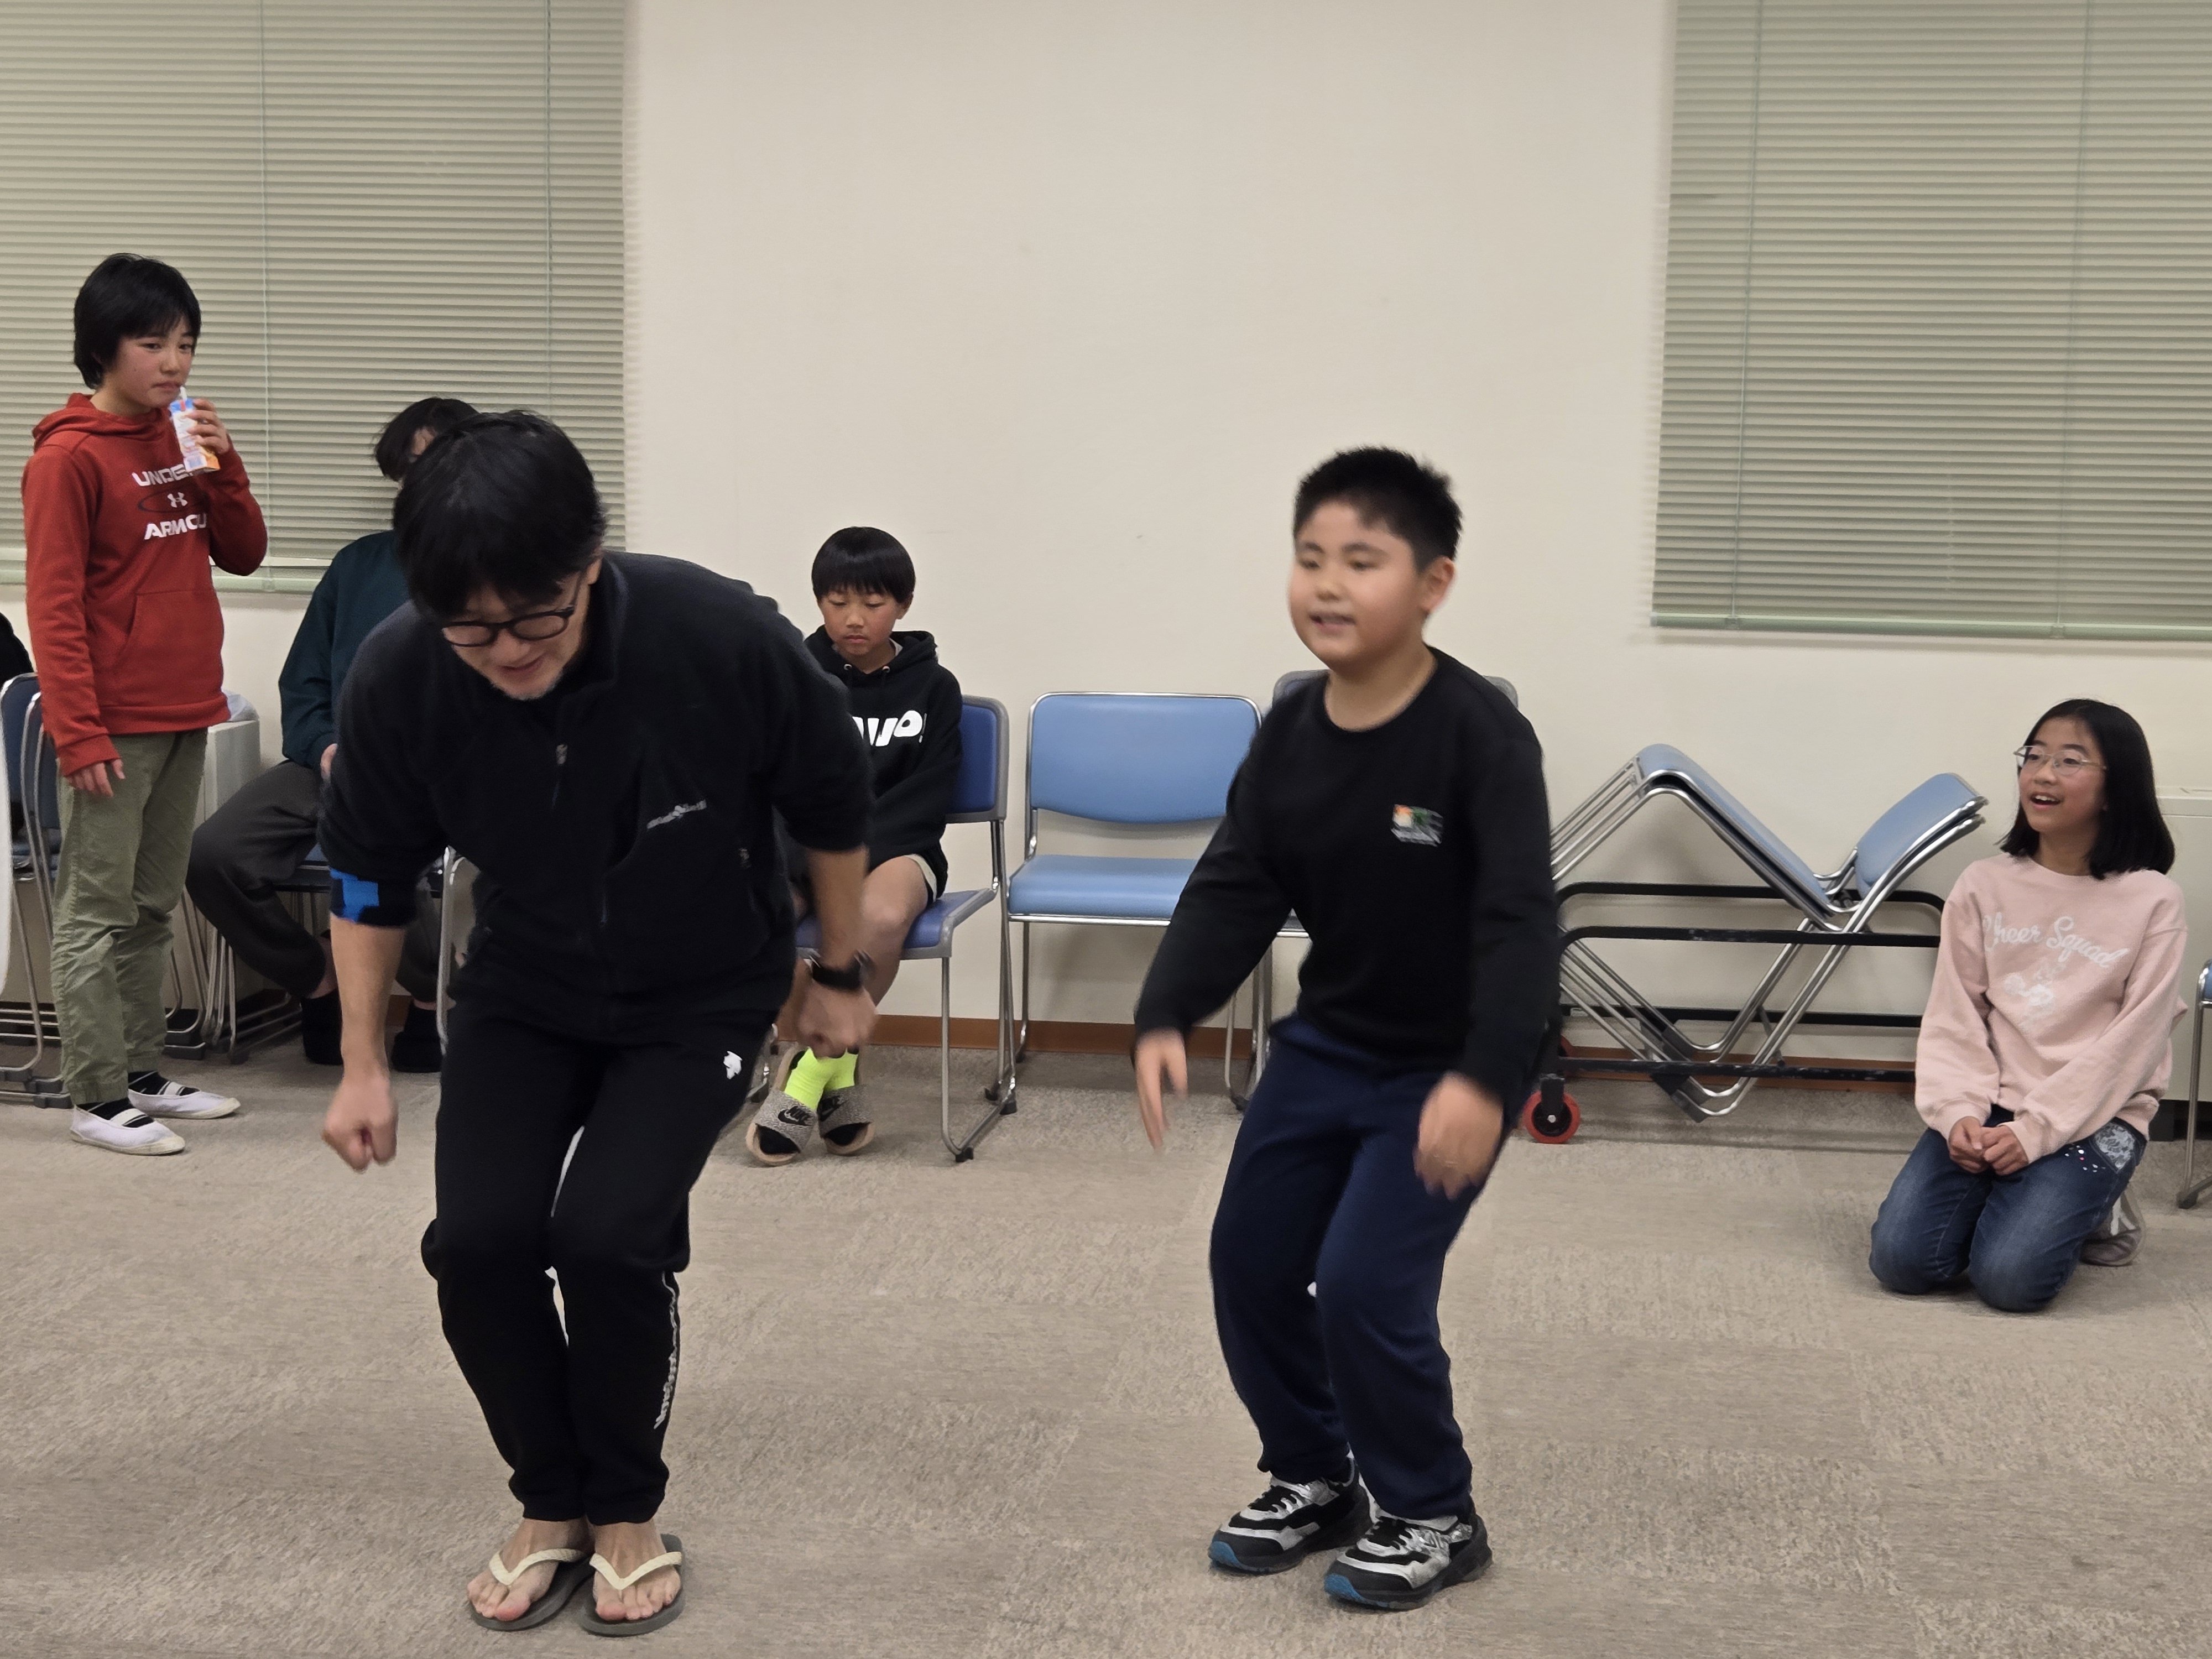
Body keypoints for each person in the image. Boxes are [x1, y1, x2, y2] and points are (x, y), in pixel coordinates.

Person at [315, 412, 875, 1634]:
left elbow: (833, 803)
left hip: (704, 983)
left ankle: (624, 1508)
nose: (507, 651)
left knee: (611, 1237)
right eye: (471, 629)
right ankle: (550, 1501)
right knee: (478, 1245)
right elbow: (365, 877)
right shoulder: (404, 673)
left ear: (590, 565)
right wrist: (362, 1061)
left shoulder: (715, 635)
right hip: (527, 984)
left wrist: (837, 970)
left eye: (535, 619)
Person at [1130, 448, 1556, 1612]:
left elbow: (1522, 924)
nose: (1327, 582)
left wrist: (1485, 1081)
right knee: (1250, 1261)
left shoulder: (1478, 735)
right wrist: (1167, 1008)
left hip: (1447, 1067)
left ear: (1432, 583)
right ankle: (1316, 1472)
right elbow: (1238, 880)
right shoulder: (1290, 730)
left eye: (1361, 560)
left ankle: (1434, 1510)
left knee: (1365, 1283)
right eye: (1310, 557)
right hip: (1326, 1048)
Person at [20, 253, 267, 1156]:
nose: (174, 363)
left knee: (154, 904)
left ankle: (139, 1071)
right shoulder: (66, 459)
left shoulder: (181, 435)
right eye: (153, 343)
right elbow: (53, 606)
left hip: (184, 708)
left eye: (186, 344)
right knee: (96, 909)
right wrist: (78, 732)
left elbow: (243, 553)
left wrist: (223, 466)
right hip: (111, 723)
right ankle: (94, 1093)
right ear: (104, 347)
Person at [185, 397, 475, 1070]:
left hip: (433, 779)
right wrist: (322, 749)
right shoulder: (358, 566)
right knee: (212, 855)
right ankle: (319, 977)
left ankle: (432, 993)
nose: (422, 483)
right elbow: (304, 683)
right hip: (333, 766)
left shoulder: (495, 572)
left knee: (379, 857)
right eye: (412, 468)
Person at [1869, 699, 2184, 1312]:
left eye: (2069, 761)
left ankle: (2101, 1209)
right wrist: (1957, 1111)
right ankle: (2023, 1196)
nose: (2041, 774)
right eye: (2034, 756)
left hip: (2096, 1111)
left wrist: (2036, 1132)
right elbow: (1954, 1014)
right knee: (1901, 1264)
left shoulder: (2153, 900)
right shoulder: (1983, 884)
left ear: (2115, 788)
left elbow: (2136, 1042)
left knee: (2011, 1282)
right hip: (1992, 1098)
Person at [745, 525, 962, 1162]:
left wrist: (850, 851)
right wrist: (813, 851)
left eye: (872, 603)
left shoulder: (935, 687)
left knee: (883, 914)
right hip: (799, 845)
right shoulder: (797, 674)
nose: (854, 619)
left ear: (903, 604)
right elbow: (768, 778)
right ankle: (836, 1072)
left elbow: (928, 795)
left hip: (898, 847)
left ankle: (806, 1073)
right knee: (760, 912)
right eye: (837, 602)